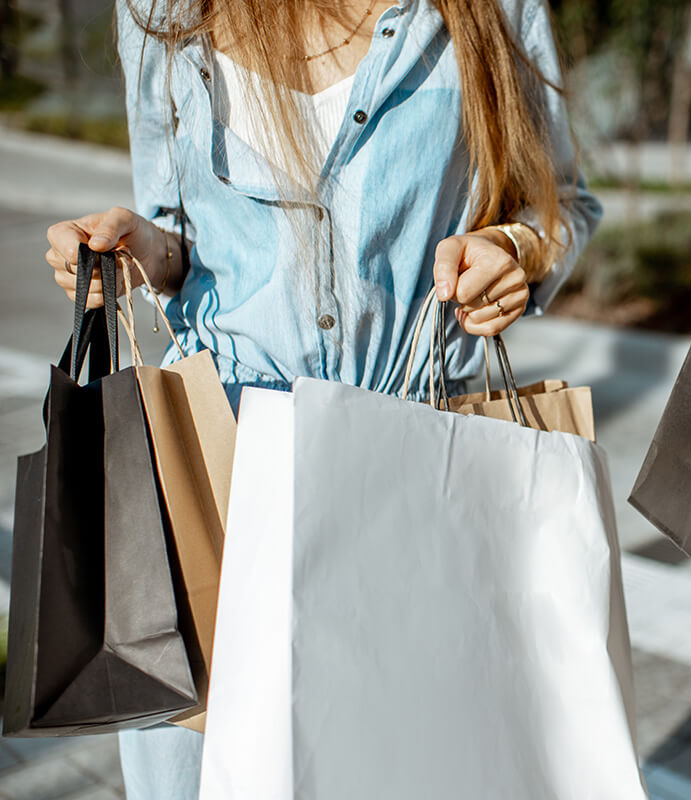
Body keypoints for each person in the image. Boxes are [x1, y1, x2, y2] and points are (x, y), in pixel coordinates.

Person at [42, 0, 600, 796]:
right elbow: (177, 238)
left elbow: (560, 207)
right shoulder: (163, 13)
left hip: (415, 472)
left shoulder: (494, 8)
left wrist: (514, 250)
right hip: (215, 480)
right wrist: (141, 249)